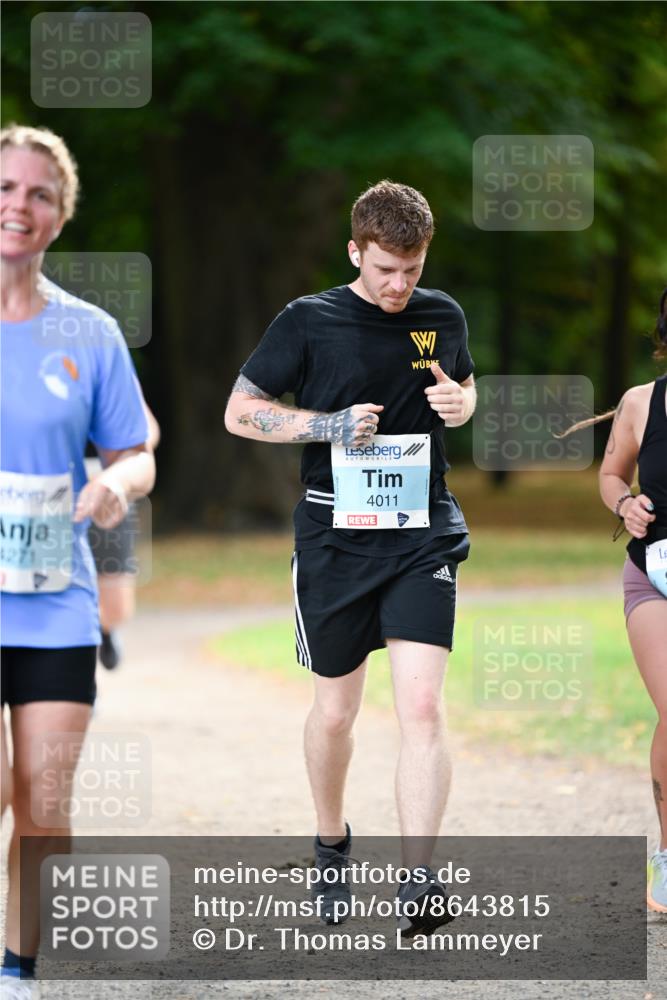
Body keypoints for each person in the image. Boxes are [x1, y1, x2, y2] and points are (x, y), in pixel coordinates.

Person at [225, 180, 476, 936]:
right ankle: (331, 843)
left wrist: (465, 404)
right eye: (384, 271)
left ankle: (419, 880)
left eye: (412, 269)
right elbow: (240, 412)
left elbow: (462, 387)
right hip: (334, 538)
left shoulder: (442, 315)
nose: (400, 287)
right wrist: (327, 425)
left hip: (422, 532)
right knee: (335, 714)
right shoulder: (309, 320)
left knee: (423, 707)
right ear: (354, 252)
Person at [0, 124, 155, 998]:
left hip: (55, 596)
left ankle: (18, 970)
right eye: (4, 189)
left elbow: (138, 450)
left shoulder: (87, 333)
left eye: (36, 193)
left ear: (59, 216)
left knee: (44, 799)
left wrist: (117, 486)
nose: (16, 206)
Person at [597, 290, 667, 914]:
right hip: (656, 577)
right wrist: (625, 502)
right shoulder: (642, 403)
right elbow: (611, 472)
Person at [87, 400, 160, 669]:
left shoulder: (106, 362)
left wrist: (121, 470)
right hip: (47, 496)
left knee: (117, 608)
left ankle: (105, 631)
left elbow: (149, 431)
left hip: (107, 492)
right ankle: (81, 678)